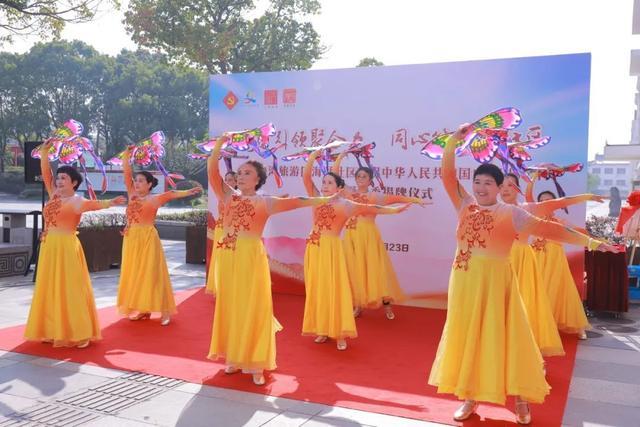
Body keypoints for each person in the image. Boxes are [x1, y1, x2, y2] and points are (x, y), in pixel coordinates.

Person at [428, 124, 618, 424]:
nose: (480, 187)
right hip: (464, 286)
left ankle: (521, 399)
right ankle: (469, 397)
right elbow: (447, 175)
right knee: (469, 340)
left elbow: (553, 229)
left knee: (508, 338)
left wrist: (593, 242)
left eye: (488, 182)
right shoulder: (464, 205)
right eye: (477, 181)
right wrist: (453, 141)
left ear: (500, 186)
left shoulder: (512, 213)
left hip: (496, 286)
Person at [207, 137, 334, 385]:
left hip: (251, 258)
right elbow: (213, 170)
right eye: (240, 173)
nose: (241, 176)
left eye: (248, 173)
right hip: (228, 258)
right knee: (231, 306)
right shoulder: (228, 198)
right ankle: (234, 356)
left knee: (253, 306)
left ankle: (256, 363)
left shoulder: (265, 202)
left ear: (258, 179)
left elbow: (298, 202)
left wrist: (326, 200)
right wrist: (221, 142)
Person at [302, 150, 412, 350]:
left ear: (339, 187)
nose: (324, 186)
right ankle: (322, 329)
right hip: (313, 249)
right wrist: (314, 155)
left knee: (335, 289)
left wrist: (394, 210)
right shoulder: (316, 200)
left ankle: (339, 332)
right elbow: (306, 177)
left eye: (329, 183)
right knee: (317, 289)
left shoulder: (346, 205)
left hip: (331, 250)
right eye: (323, 182)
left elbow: (371, 209)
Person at [24, 140, 126, 348]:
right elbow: (46, 172)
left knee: (70, 288)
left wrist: (111, 202)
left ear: (74, 183)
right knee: (49, 288)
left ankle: (80, 332)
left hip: (66, 247)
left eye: (64, 178)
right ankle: (52, 329)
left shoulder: (77, 201)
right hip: (49, 245)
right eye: (58, 177)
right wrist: (45, 152)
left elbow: (95, 204)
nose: (59, 181)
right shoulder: (54, 195)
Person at [332, 153, 423, 319]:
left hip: (368, 236)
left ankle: (387, 307)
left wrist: (416, 200)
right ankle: (358, 305)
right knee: (354, 270)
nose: (360, 178)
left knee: (375, 271)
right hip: (351, 236)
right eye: (358, 176)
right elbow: (335, 174)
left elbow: (397, 198)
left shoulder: (375, 196)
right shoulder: (348, 193)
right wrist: (342, 156)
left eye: (364, 176)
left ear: (370, 180)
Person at [117, 147, 202, 325]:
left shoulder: (155, 199)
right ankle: (144, 308)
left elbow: (172, 194)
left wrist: (188, 192)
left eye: (141, 181)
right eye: (136, 180)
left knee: (153, 273)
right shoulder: (132, 195)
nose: (137, 183)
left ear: (149, 184)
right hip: (131, 238)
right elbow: (126, 174)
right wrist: (126, 156)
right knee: (135, 274)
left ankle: (165, 311)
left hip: (148, 239)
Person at [524, 174, 600, 339]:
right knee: (538, 292)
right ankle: (537, 327)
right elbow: (528, 194)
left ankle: (577, 327)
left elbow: (576, 233)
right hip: (536, 258)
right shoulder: (533, 217)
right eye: (542, 201)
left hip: (555, 259)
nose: (546, 204)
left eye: (549, 201)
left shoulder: (561, 221)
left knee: (561, 291)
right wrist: (536, 175)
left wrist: (596, 241)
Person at [205, 169, 237, 296]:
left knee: (231, 259)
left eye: (231, 180)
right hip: (220, 229)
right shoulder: (221, 194)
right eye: (226, 179)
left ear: (236, 182)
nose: (228, 182)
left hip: (233, 231)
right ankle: (220, 287)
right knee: (219, 258)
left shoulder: (240, 196)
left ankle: (232, 287)